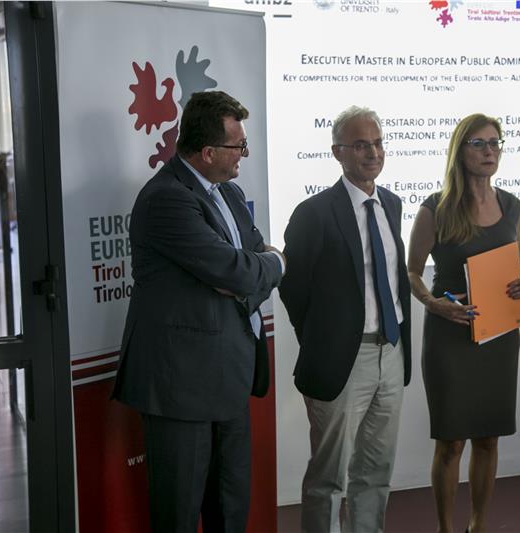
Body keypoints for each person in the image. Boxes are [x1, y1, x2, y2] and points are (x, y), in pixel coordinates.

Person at [112, 90, 285, 533]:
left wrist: (249, 272)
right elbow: (240, 270)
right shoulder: (166, 198)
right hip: (180, 386)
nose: (245, 153)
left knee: (231, 510)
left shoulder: (230, 193)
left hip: (229, 376)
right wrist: (274, 264)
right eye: (238, 145)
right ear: (207, 152)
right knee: (179, 515)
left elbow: (247, 267)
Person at [279, 105, 411, 533]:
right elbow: (293, 287)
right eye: (360, 145)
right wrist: (323, 341)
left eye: (377, 143)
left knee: (376, 471)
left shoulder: (392, 204)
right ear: (338, 152)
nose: (372, 153)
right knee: (329, 478)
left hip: (390, 354)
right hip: (342, 361)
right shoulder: (314, 212)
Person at [407, 113, 520, 533]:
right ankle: (446, 529)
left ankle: (478, 526)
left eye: (495, 142)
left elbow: (515, 263)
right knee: (451, 442)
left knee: (488, 437)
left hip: (499, 335)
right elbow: (411, 272)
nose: (489, 151)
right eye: (479, 143)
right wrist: (433, 304)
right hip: (450, 335)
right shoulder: (436, 208)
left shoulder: (513, 206)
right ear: (460, 152)